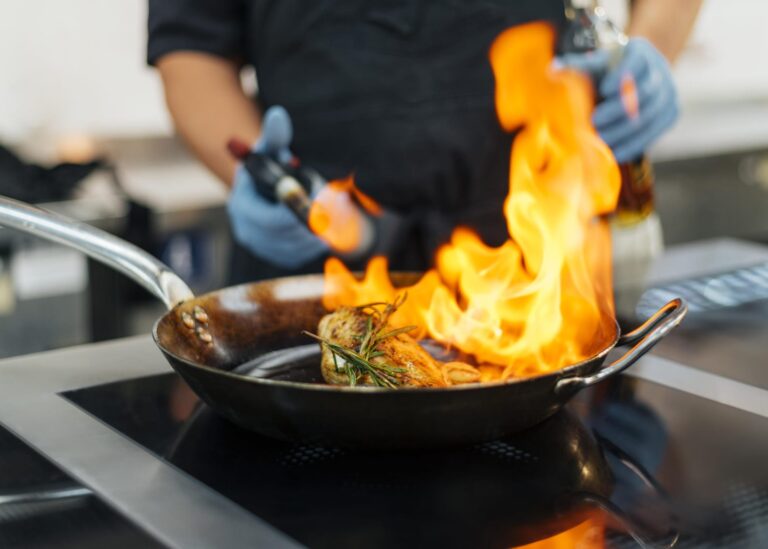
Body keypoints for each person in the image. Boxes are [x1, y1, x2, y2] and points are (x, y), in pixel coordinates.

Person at [148, 0, 702, 284]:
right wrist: (256, 175)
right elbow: (192, 56)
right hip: (319, 262)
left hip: (537, 262)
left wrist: (649, 51)